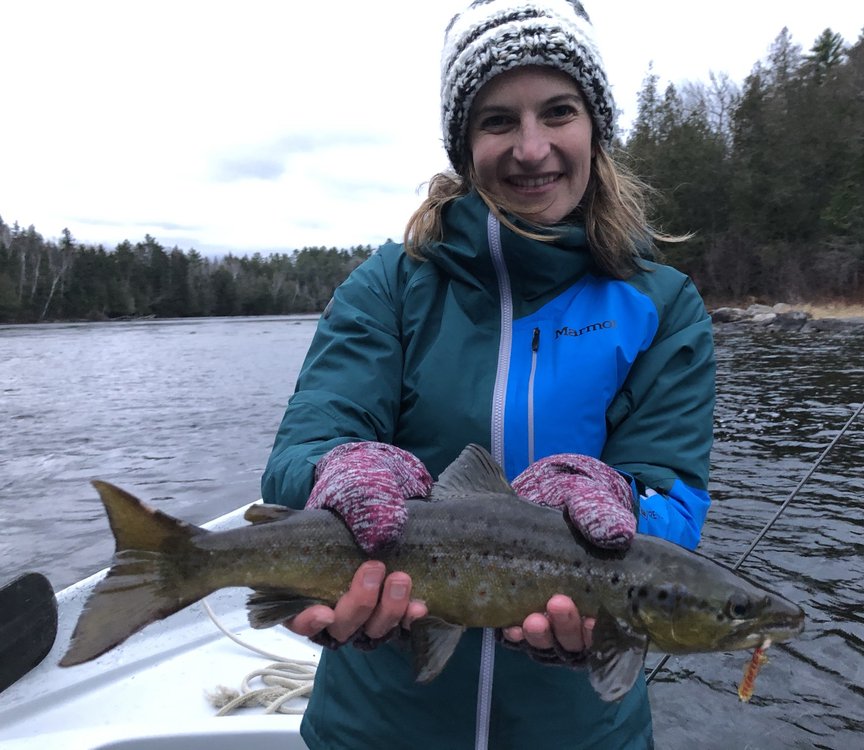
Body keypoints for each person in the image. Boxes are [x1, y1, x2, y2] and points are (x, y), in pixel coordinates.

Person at [261, 1, 715, 747]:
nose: (532, 149)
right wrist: (340, 468)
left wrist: (620, 503)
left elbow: (676, 502)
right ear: (464, 143)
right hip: (375, 728)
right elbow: (299, 456)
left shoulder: (662, 305)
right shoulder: (387, 287)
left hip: (583, 734)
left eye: (558, 111)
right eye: (498, 120)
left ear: (595, 126)